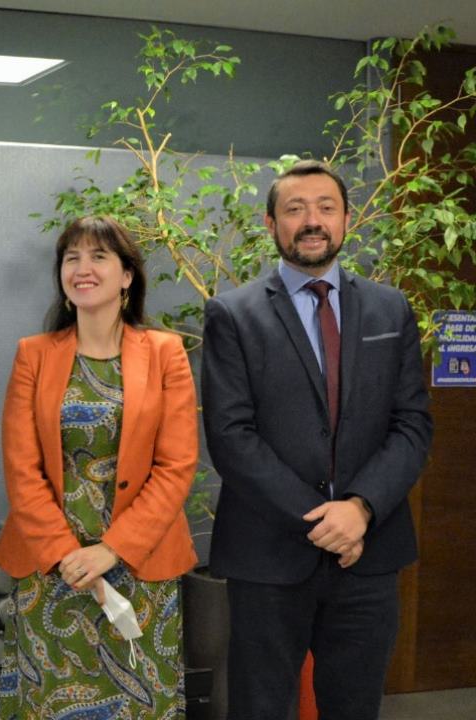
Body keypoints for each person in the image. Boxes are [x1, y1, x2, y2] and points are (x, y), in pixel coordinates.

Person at [202, 160, 433, 720]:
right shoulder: (232, 314)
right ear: (271, 223)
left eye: (326, 208)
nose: (313, 221)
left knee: (355, 708)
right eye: (296, 209)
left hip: (369, 555)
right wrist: (325, 521)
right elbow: (232, 436)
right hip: (268, 558)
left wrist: (360, 509)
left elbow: (412, 424)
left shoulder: (390, 308)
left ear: (347, 220)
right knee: (260, 708)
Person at [0, 215, 198, 719]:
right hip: (51, 569)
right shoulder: (33, 355)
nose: (83, 268)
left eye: (99, 256)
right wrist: (68, 554)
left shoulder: (167, 352)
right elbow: (22, 469)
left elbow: (177, 465)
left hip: (140, 567)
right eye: (72, 258)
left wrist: (112, 549)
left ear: (127, 276)